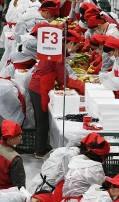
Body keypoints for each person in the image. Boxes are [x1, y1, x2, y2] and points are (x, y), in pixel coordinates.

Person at [28, 30, 85, 158]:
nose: (76, 49)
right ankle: (40, 151)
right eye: (76, 46)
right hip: (39, 88)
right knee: (42, 120)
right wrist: (82, 87)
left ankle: (40, 146)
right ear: (70, 43)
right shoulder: (58, 54)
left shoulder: (57, 50)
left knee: (40, 120)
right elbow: (63, 77)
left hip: (37, 86)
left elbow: (60, 78)